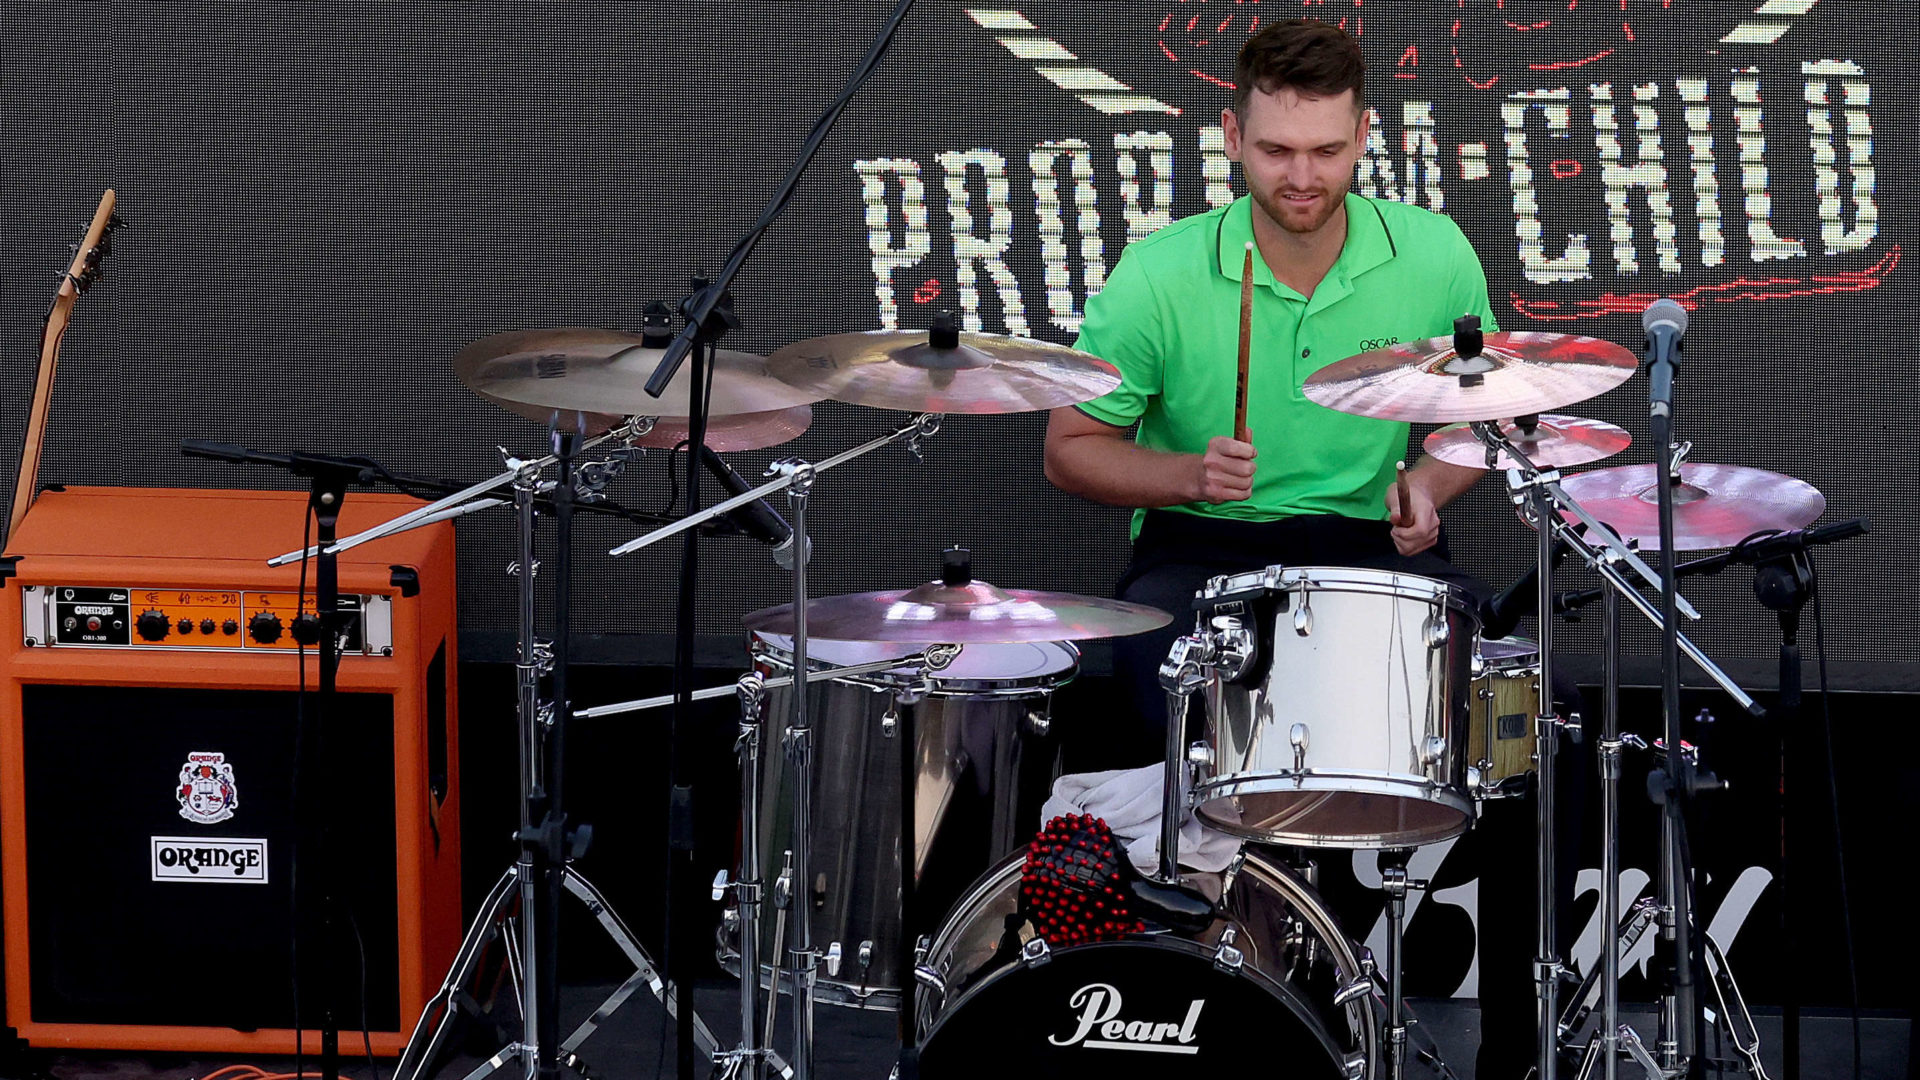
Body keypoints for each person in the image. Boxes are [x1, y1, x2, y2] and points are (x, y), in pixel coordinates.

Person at [1042, 19, 1578, 1079]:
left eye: (1327, 151)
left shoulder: (1431, 253)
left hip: (1369, 542)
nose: (1302, 175)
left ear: (1363, 135)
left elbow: (1488, 412)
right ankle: (1232, 976)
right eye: (1278, 150)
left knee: (1513, 712)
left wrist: (1431, 482)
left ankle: (1517, 1049)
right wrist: (1186, 473)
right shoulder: (1159, 272)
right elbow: (1068, 448)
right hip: (1205, 546)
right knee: (1179, 689)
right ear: (1233, 135)